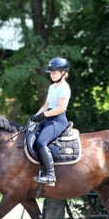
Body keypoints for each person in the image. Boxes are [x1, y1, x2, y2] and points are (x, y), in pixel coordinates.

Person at [30, 57, 71, 186]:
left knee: (41, 142)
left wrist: (43, 115)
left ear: (63, 72)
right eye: (51, 72)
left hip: (58, 121)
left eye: (55, 72)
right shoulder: (52, 87)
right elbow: (46, 105)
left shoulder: (64, 88)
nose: (52, 74)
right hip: (48, 119)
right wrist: (35, 116)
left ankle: (50, 176)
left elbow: (60, 108)